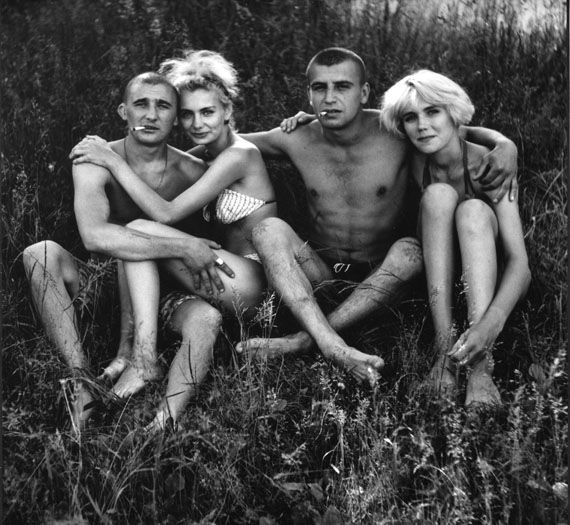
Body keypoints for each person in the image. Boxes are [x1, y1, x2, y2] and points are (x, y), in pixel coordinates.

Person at [236, 47, 518, 387]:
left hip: (385, 271)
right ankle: (330, 344)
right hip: (321, 269)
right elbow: (228, 143)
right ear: (309, 94)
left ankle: (304, 340)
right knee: (268, 230)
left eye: (342, 86)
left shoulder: (395, 132)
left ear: (364, 92)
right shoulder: (298, 137)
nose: (330, 98)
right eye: (319, 88)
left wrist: (505, 144)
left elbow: (450, 129)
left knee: (414, 247)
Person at [70, 50, 277, 431]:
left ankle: (142, 358)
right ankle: (142, 373)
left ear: (227, 110)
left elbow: (164, 215)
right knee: (137, 240)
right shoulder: (205, 157)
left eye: (207, 112)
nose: (197, 123)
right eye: (188, 114)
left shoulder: (238, 155)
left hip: (255, 284)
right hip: (229, 277)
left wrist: (113, 160)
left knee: (141, 228)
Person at [24, 72, 235, 433]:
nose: (151, 115)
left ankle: (162, 419)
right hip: (102, 283)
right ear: (124, 111)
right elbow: (94, 236)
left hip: (159, 293)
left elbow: (240, 158)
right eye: (141, 104)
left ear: (176, 117)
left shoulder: (193, 170)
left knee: (205, 318)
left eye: (163, 106)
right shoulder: (95, 157)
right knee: (39, 253)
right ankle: (80, 380)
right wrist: (184, 245)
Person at [380, 69, 530, 405]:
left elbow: (520, 264)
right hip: (440, 272)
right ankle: (444, 350)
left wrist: (490, 325)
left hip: (491, 276)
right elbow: (354, 118)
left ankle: (480, 364)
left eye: (433, 112)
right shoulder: (415, 156)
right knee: (437, 195)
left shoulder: (489, 166)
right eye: (411, 118)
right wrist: (308, 117)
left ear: (453, 114)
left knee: (473, 210)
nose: (422, 126)